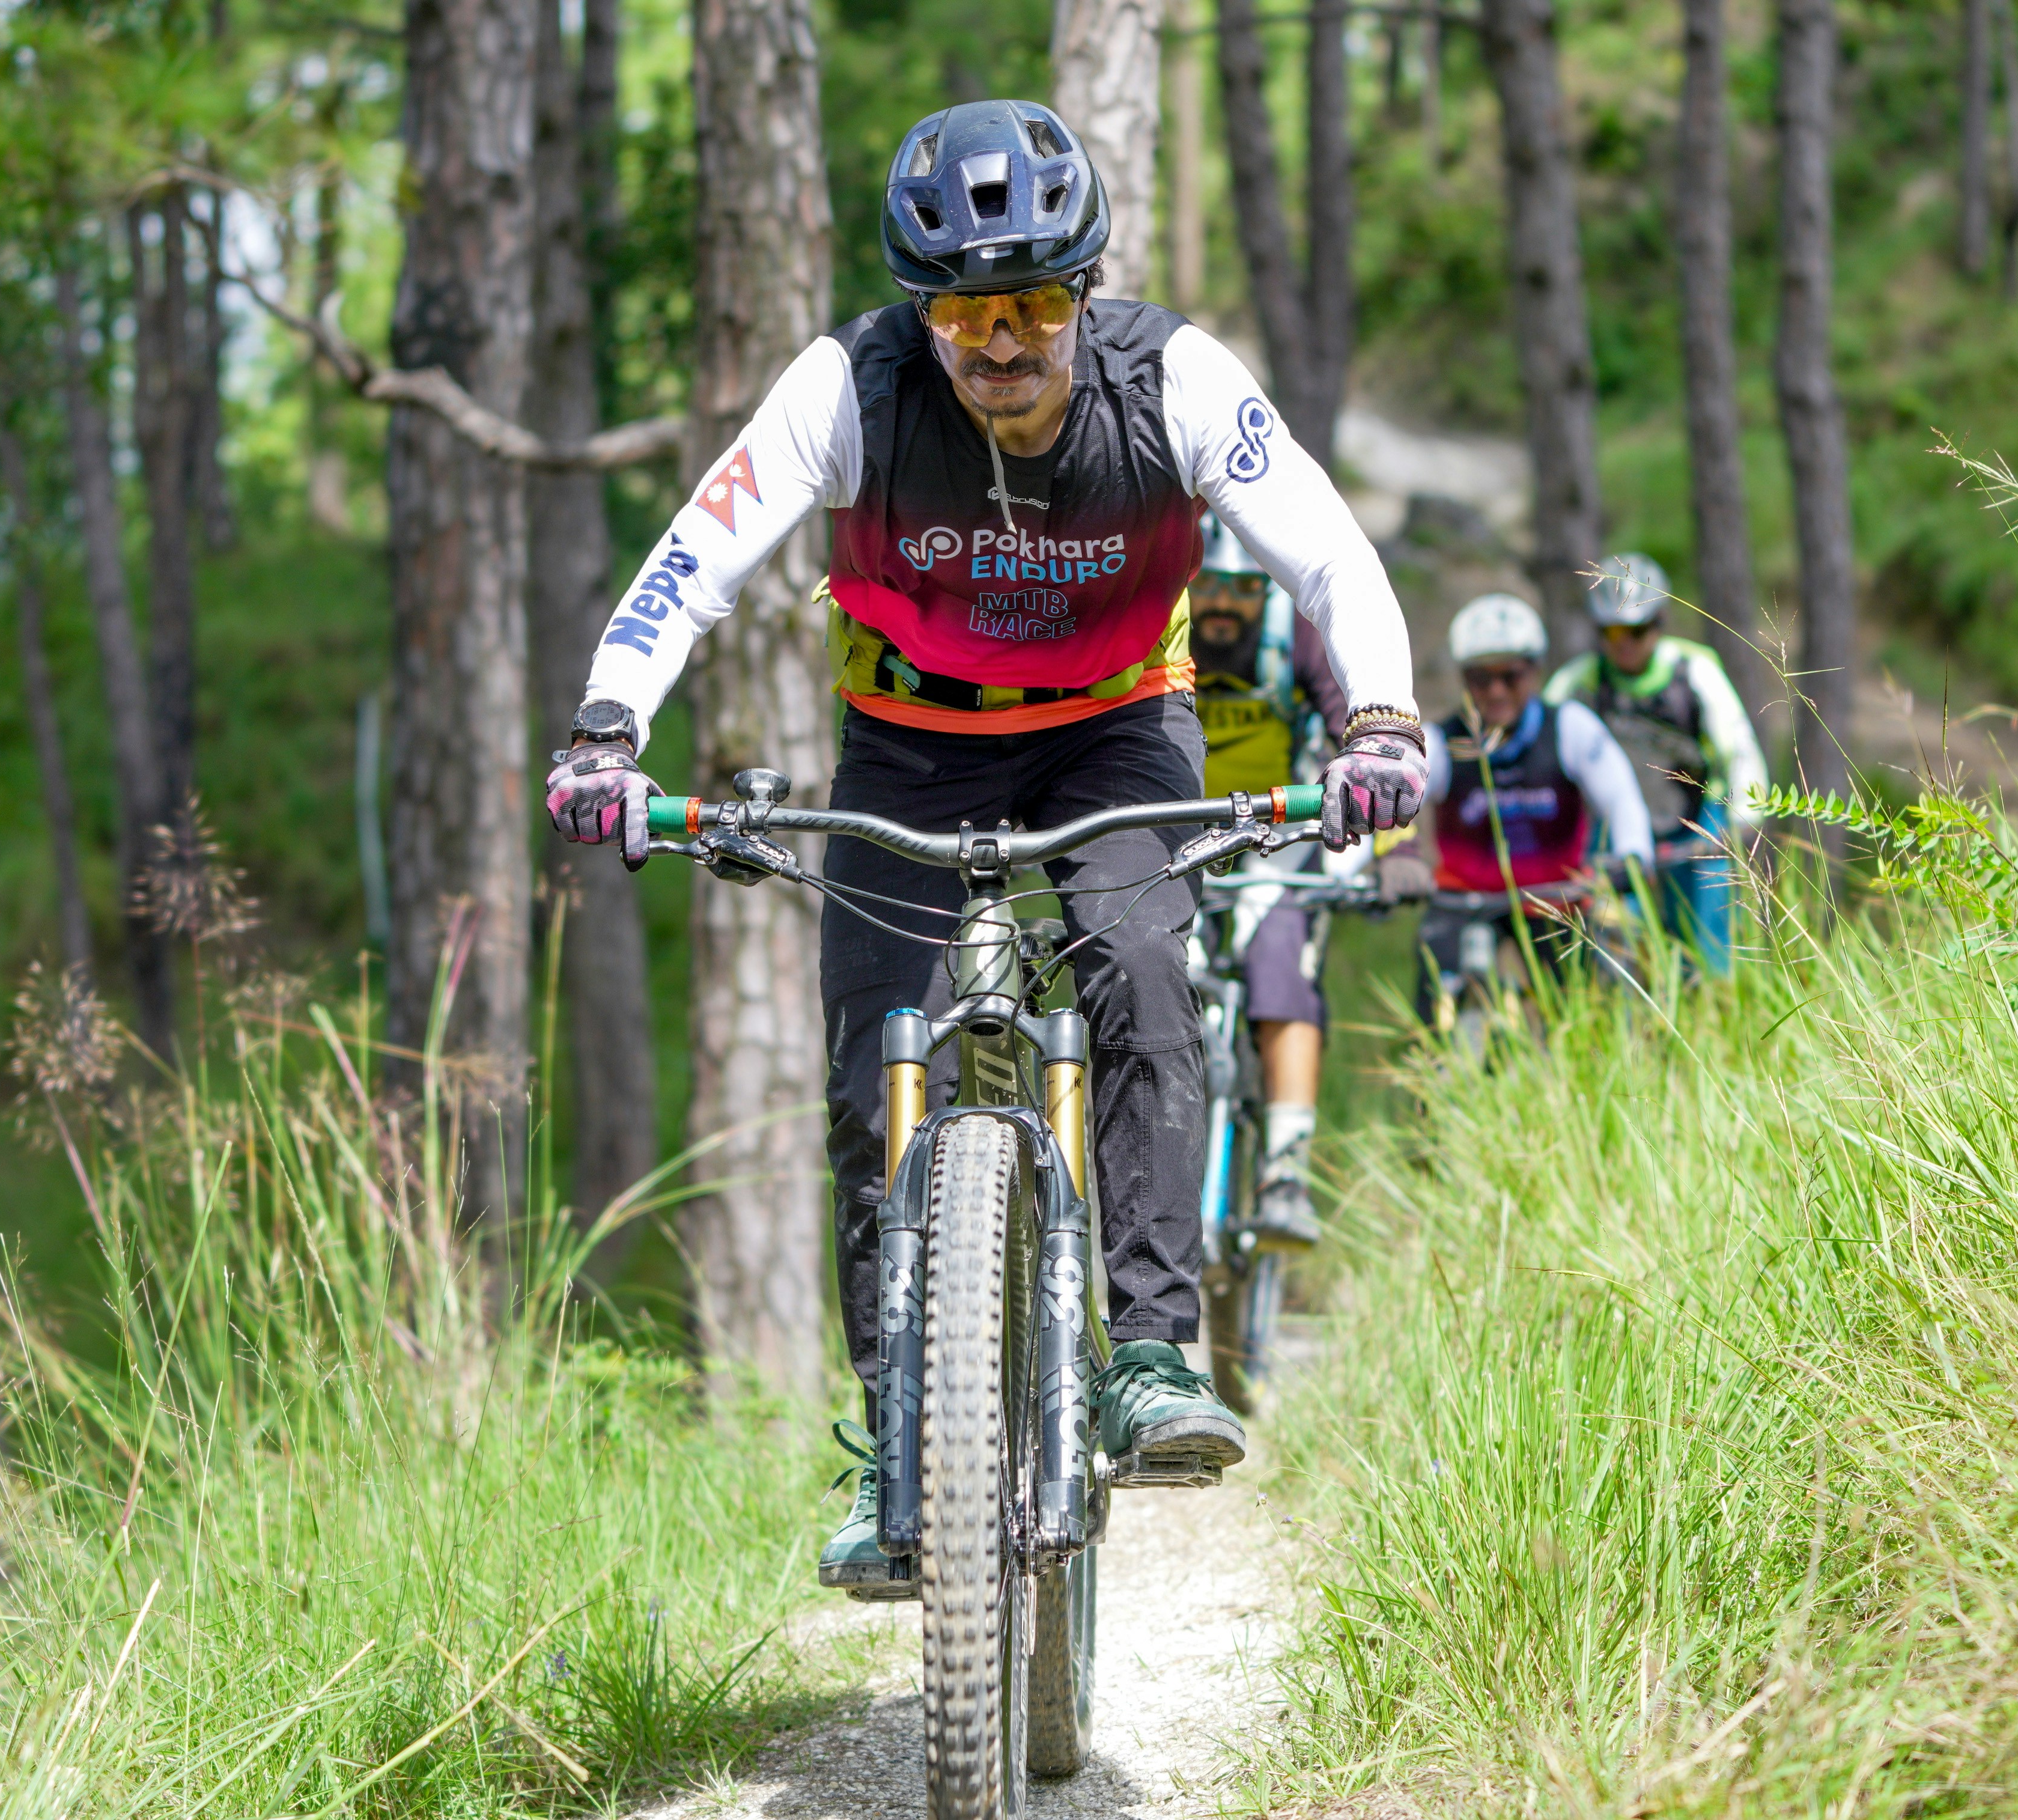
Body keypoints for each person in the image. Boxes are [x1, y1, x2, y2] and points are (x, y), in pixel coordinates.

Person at [541, 100, 1425, 1593]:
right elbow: (696, 558)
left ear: (1083, 293)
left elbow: (1326, 553)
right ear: (922, 314)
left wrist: (1383, 722)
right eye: (962, 312)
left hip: (1112, 726)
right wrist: (605, 728)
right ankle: (899, 1440)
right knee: (865, 1061)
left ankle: (1149, 1354)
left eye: (1028, 306)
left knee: (1143, 967)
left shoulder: (1176, 380)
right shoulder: (850, 387)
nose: (997, 344)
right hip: (910, 739)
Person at [1184, 514, 1369, 1251]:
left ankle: (1285, 1172)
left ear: (1265, 594)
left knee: (1278, 961)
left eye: (1241, 589)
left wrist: (1372, 845)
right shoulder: (1157, 635)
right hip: (1179, 837)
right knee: (1149, 975)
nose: (1223, 605)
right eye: (1210, 589)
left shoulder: (1294, 644)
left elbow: (1355, 729)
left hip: (1277, 844)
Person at [1420, 593, 1655, 1009]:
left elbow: (1622, 800)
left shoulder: (1570, 727)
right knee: (1434, 1005)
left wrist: (1632, 854)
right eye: (1479, 679)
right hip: (1463, 902)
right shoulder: (1438, 742)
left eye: (1510, 676)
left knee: (1582, 1008)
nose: (1495, 691)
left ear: (1534, 671)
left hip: (1556, 898)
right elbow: (1388, 807)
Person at [1545, 554, 1767, 978]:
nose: (1622, 642)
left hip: (1697, 833)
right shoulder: (1579, 684)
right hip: (1612, 844)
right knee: (1614, 955)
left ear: (1659, 622)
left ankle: (1713, 1019)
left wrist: (1744, 823)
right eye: (1609, 632)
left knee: (1709, 956)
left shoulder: (1693, 672)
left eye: (1635, 630)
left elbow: (1739, 751)